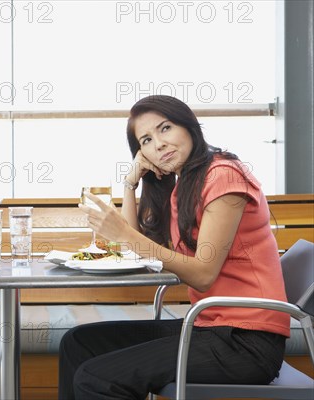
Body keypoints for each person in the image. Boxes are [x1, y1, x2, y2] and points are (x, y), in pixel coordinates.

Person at [58, 95, 290, 399]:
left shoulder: (224, 176)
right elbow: (139, 247)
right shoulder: (184, 187)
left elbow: (204, 274)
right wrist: (131, 183)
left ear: (189, 126)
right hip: (209, 326)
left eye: (165, 128)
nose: (159, 144)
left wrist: (125, 235)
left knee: (94, 378)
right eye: (147, 140)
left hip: (246, 342)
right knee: (77, 342)